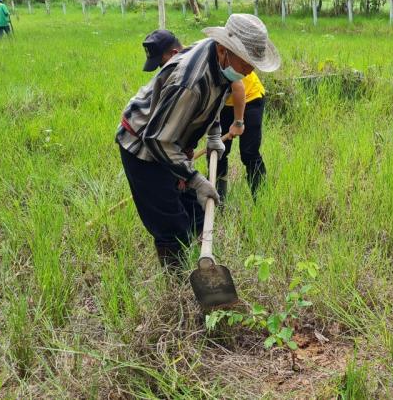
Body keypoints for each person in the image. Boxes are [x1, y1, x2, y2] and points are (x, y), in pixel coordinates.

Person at [116, 14, 281, 272]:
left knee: (196, 215)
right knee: (171, 225)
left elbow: (212, 100)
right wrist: (195, 179)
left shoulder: (220, 60)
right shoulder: (190, 82)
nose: (251, 70)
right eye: (247, 61)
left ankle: (202, 267)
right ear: (224, 50)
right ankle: (178, 281)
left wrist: (214, 134)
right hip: (143, 146)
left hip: (171, 141)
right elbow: (157, 139)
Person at [214, 68, 267, 201]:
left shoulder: (214, 60)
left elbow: (238, 86)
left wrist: (238, 122)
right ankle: (219, 201)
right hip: (224, 103)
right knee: (218, 152)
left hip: (249, 96)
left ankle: (261, 201)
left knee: (249, 153)